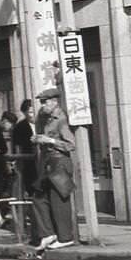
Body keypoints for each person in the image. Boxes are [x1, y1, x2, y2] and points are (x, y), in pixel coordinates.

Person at [32, 86, 76, 250]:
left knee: (59, 200)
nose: (42, 106)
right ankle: (48, 233)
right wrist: (38, 139)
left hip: (60, 162)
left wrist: (49, 141)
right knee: (39, 197)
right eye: (42, 103)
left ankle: (65, 237)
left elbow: (71, 145)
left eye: (45, 102)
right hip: (48, 162)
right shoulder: (45, 118)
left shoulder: (61, 119)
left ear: (54, 102)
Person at [10, 99, 39, 243]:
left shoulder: (43, 123)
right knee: (32, 192)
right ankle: (33, 224)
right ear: (25, 113)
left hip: (43, 164)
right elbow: (17, 147)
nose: (33, 115)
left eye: (34, 111)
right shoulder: (20, 127)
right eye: (30, 112)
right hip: (29, 164)